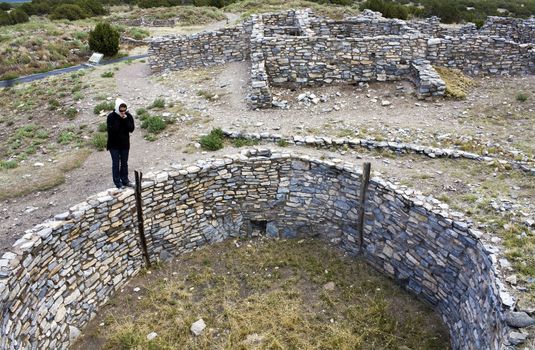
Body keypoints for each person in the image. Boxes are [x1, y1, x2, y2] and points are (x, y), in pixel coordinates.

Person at [106, 98, 135, 189]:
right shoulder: (111, 117)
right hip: (113, 145)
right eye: (121, 110)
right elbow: (113, 130)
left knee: (124, 163)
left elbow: (131, 129)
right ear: (117, 108)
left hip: (124, 144)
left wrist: (125, 120)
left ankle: (125, 180)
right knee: (115, 163)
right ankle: (118, 183)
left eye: (124, 110)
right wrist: (119, 119)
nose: (123, 112)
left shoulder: (128, 116)